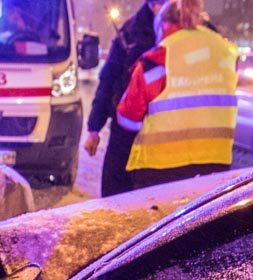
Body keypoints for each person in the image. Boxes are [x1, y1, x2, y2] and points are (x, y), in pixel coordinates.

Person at [115, 0, 237, 189]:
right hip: (216, 163)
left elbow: (128, 118)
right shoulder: (225, 51)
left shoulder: (157, 59)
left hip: (161, 169)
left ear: (164, 24)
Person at [84, 0, 162, 196]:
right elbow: (108, 79)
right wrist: (94, 128)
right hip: (125, 136)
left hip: (164, 140)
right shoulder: (130, 32)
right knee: (116, 199)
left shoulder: (188, 34)